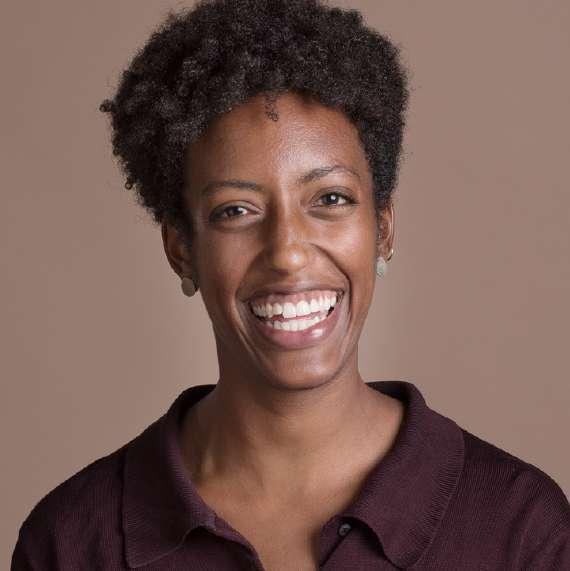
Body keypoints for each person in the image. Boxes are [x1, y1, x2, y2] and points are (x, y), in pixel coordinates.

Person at [11, 0, 569, 569]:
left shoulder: (521, 530)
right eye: (235, 210)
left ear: (382, 230)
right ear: (182, 250)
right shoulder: (73, 543)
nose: (287, 253)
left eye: (330, 199)